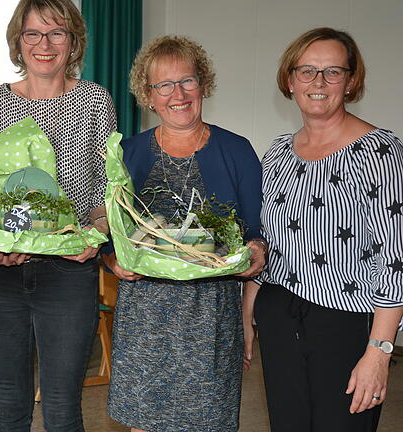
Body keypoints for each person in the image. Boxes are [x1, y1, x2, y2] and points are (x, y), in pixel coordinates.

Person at [101, 35, 267, 432]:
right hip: (144, 318)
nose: (178, 94)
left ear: (203, 85)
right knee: (144, 421)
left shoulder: (237, 150)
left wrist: (255, 260)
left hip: (211, 318)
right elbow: (113, 237)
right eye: (164, 85)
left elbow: (258, 232)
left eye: (187, 81)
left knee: (208, 422)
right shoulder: (129, 154)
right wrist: (112, 261)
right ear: (149, 95)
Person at [248, 27, 403, 432]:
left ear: (351, 82)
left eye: (333, 72)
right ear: (289, 79)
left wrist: (379, 352)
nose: (318, 83)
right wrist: (246, 316)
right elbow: (264, 244)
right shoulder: (276, 154)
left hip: (346, 324)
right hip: (278, 314)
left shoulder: (381, 152)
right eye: (307, 71)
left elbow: (396, 260)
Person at [0, 0, 116, 430]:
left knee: (62, 407)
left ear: (73, 41)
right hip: (3, 276)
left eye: (57, 32)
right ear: (18, 40)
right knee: (10, 406)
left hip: (69, 275)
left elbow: (108, 194)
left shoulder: (94, 100)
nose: (44, 44)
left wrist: (93, 237)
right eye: (33, 33)